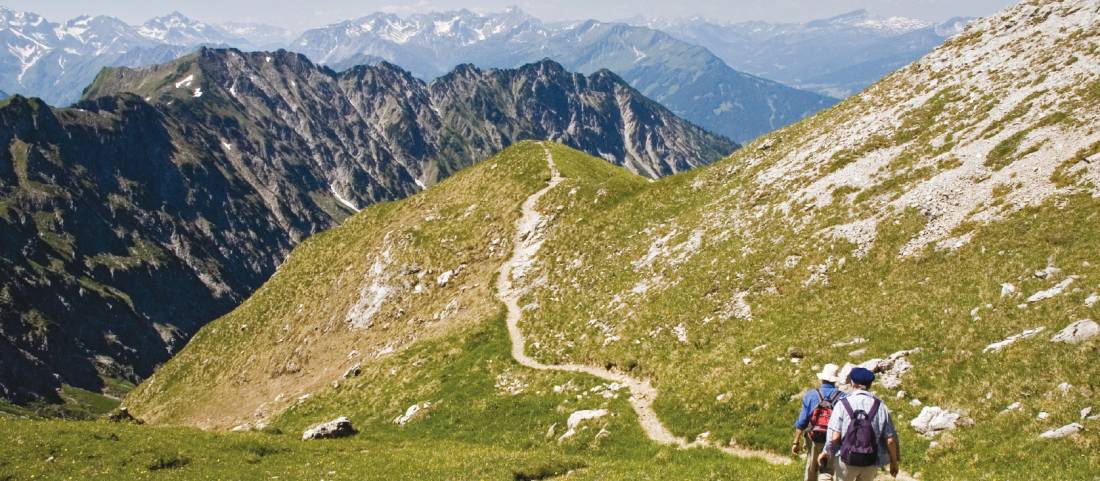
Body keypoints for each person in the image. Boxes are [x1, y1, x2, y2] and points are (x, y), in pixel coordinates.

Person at [818, 367, 900, 481]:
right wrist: (894, 462)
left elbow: (835, 436)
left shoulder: (842, 404)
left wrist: (825, 452)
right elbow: (890, 440)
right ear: (870, 385)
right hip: (869, 461)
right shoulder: (880, 406)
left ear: (852, 383)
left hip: (846, 460)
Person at [793, 363, 844, 481]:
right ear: (835, 380)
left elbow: (802, 422)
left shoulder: (811, 395)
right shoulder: (842, 397)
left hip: (813, 438)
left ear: (822, 378)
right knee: (827, 470)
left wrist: (796, 442)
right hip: (832, 439)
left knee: (811, 467)